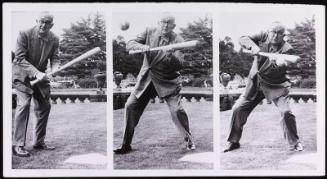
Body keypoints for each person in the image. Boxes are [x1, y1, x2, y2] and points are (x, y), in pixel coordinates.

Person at [114, 13, 195, 154]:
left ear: (173, 26)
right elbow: (130, 44)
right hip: (146, 80)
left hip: (167, 81)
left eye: (168, 23)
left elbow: (180, 65)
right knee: (130, 106)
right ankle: (126, 145)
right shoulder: (149, 31)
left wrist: (170, 55)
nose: (164, 25)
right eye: (162, 22)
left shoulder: (178, 40)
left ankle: (188, 140)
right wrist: (141, 46)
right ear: (158, 23)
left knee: (176, 111)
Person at [224, 21, 303, 152]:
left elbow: (278, 70)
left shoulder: (287, 48)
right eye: (273, 31)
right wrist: (252, 47)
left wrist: (278, 64)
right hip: (255, 83)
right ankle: (233, 141)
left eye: (279, 33)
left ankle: (294, 143)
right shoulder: (262, 36)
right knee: (237, 108)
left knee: (286, 112)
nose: (275, 35)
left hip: (275, 85)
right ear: (268, 31)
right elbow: (242, 38)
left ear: (284, 35)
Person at [12, 12, 59, 157]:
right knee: (24, 105)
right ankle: (18, 145)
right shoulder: (24, 34)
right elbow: (19, 58)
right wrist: (35, 72)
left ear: (52, 25)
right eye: (42, 21)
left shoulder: (54, 38)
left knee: (45, 106)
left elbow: (55, 58)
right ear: (37, 21)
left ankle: (38, 142)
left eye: (47, 22)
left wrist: (55, 68)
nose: (44, 25)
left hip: (41, 77)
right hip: (22, 75)